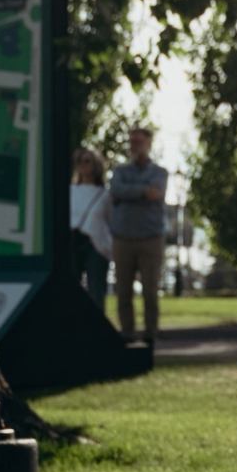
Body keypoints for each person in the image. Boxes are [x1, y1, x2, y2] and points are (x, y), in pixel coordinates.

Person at [107, 124, 168, 346]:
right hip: (123, 238)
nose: (135, 146)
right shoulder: (120, 171)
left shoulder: (159, 172)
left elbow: (156, 193)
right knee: (123, 291)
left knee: (150, 291)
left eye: (139, 142)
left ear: (149, 144)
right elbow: (116, 190)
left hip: (151, 238)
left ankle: (151, 334)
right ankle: (127, 334)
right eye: (132, 142)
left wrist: (131, 192)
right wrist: (143, 191)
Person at [69, 147, 112, 309]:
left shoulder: (105, 195)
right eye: (79, 161)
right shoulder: (70, 191)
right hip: (73, 242)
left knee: (96, 290)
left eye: (87, 161)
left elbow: (110, 221)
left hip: (96, 245)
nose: (83, 165)